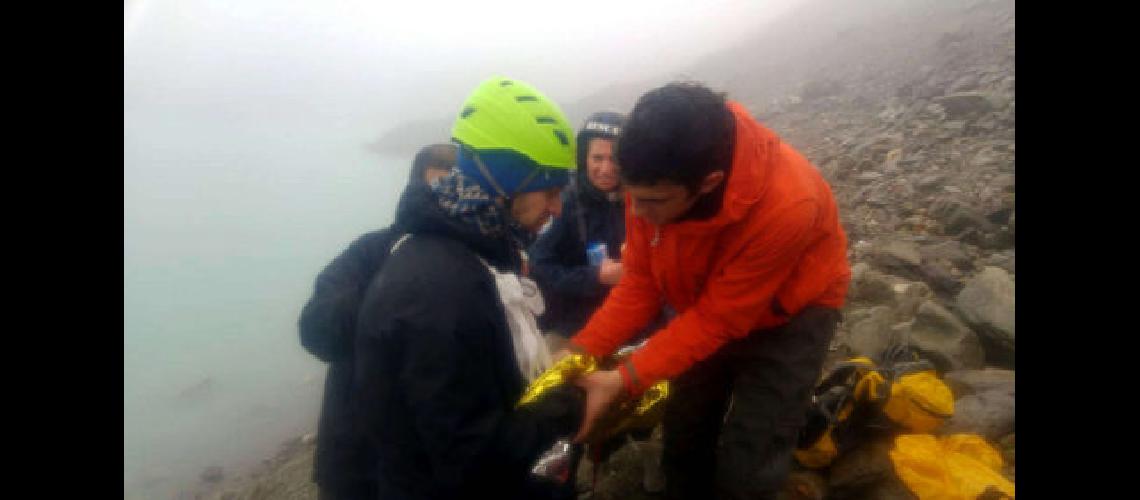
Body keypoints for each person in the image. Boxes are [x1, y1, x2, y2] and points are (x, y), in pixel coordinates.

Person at [558, 82, 851, 499]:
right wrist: (579, 352)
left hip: (793, 312)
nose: (637, 214)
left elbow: (720, 318)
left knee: (751, 455)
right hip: (702, 299)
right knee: (685, 428)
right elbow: (640, 282)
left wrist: (623, 379)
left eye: (651, 202)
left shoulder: (788, 203)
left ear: (709, 183)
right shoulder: (651, 175)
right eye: (630, 197)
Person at [351, 76, 586, 500]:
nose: (556, 208)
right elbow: (473, 458)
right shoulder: (442, 290)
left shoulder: (467, 250)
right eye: (549, 190)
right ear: (505, 182)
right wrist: (568, 402)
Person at [298, 143, 457, 500]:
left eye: (454, 193)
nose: (443, 206)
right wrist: (389, 294)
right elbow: (316, 331)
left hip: (430, 461)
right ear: (415, 190)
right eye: (436, 191)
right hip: (355, 460)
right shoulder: (369, 253)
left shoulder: (474, 265)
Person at [528, 111, 666, 493]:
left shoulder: (642, 202)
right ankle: (563, 480)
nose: (606, 169)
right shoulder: (566, 205)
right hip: (577, 326)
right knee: (564, 412)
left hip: (636, 324)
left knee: (635, 406)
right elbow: (540, 267)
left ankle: (625, 467)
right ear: (583, 159)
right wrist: (596, 277)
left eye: (614, 159)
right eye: (596, 158)